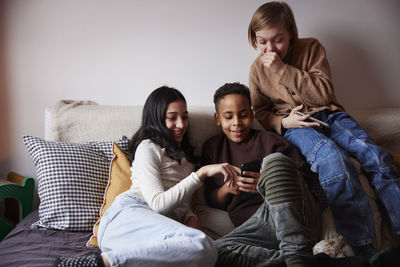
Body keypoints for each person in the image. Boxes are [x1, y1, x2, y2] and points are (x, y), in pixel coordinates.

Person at [247, 1, 400, 260]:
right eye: (262, 42)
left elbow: (323, 92)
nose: (270, 49)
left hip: (330, 114)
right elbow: (260, 113)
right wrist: (284, 123)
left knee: (377, 156)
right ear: (254, 39)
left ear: (291, 34)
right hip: (297, 126)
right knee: (333, 161)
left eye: (278, 40)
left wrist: (283, 70)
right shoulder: (256, 70)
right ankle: (362, 246)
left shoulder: (312, 48)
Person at [54, 86, 240, 267]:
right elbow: (158, 204)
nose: (181, 125)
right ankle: (99, 263)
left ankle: (109, 261)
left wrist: (191, 225)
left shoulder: (188, 159)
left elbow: (183, 207)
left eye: (184, 117)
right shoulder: (148, 147)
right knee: (203, 245)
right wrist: (201, 173)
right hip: (127, 218)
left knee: (207, 251)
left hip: (151, 237)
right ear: (157, 119)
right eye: (172, 118)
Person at [202, 82, 369, 267]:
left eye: (243, 115)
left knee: (273, 161)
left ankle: (297, 254)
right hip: (256, 228)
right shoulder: (212, 148)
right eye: (228, 117)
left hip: (296, 217)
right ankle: (310, 261)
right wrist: (226, 189)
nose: (237, 123)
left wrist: (267, 183)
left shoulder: (270, 140)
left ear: (251, 114)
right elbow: (210, 199)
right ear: (218, 119)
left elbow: (306, 181)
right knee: (210, 253)